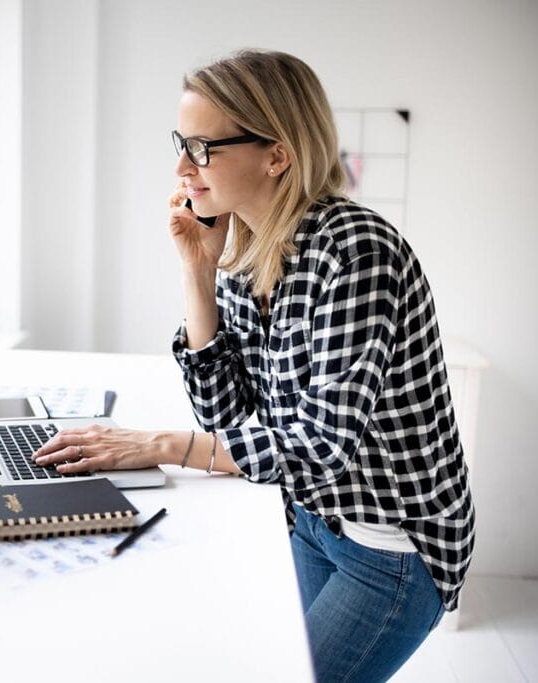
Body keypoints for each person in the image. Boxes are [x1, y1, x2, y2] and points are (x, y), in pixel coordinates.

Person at [34, 49, 474, 682]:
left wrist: (154, 444)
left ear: (277, 154)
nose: (183, 167)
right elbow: (229, 416)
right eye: (180, 144)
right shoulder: (247, 252)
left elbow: (320, 444)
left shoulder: (355, 252)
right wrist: (199, 273)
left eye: (204, 148)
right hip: (311, 522)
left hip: (393, 547)